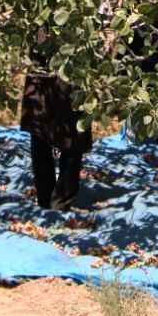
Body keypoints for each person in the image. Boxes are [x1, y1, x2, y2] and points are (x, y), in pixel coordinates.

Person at [20, 46, 92, 210]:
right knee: (39, 123)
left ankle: (61, 199)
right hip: (43, 52)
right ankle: (46, 198)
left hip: (75, 51)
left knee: (73, 122)